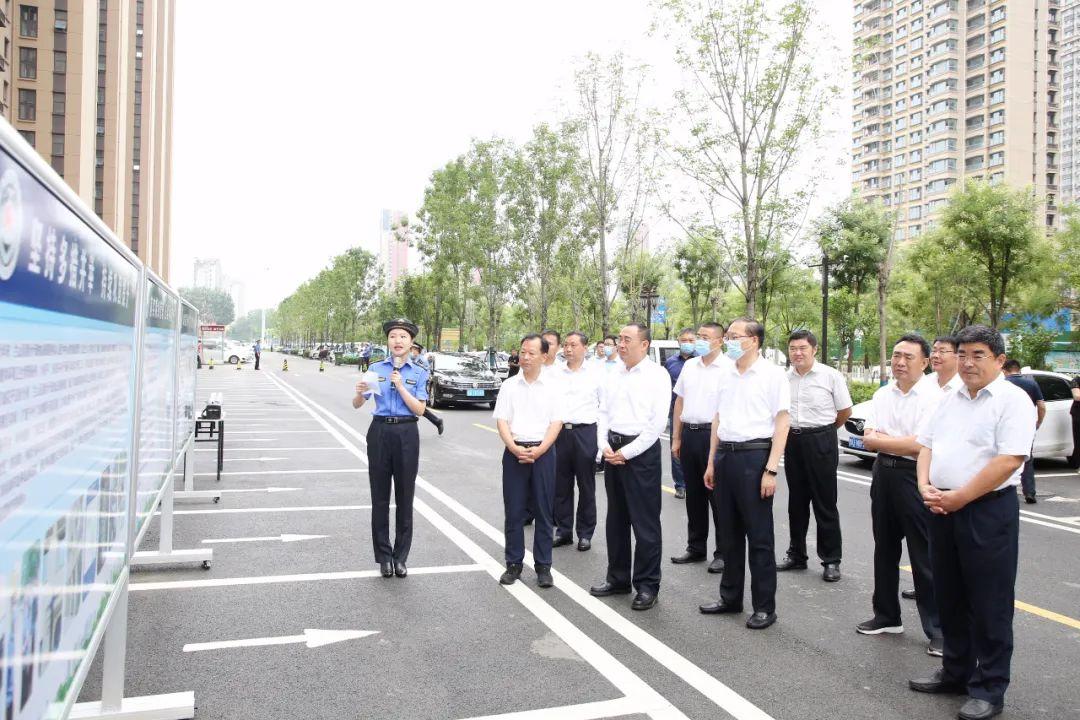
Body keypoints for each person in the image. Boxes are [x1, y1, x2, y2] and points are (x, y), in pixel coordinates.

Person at [909, 325, 1036, 720]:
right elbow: (926, 445)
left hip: (986, 510)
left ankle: (990, 687)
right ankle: (956, 670)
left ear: (999, 360)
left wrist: (960, 497)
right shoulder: (948, 400)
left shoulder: (1014, 401)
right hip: (942, 508)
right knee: (949, 595)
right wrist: (925, 486)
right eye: (962, 354)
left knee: (990, 602)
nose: (967, 362)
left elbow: (1009, 460)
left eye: (978, 355)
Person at [857, 333, 945, 657]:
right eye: (896, 355)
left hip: (914, 476)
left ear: (925, 362)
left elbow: (919, 445)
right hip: (883, 473)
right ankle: (886, 615)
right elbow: (868, 439)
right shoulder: (883, 395)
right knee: (885, 547)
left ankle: (938, 629)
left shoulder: (933, 397)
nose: (900, 362)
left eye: (908, 356)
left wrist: (884, 440)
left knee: (924, 555)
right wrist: (890, 441)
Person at [699, 318, 790, 630]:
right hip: (726, 454)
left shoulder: (772, 375)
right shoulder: (725, 373)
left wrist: (771, 469)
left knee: (759, 536)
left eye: (735, 336)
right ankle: (730, 597)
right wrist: (712, 462)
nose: (729, 340)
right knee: (728, 533)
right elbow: (717, 419)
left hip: (755, 456)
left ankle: (765, 606)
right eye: (728, 336)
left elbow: (782, 423)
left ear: (754, 340)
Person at [589, 323, 671, 611]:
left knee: (645, 524)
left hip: (640, 454)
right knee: (616, 520)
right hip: (613, 450)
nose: (620, 344)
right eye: (619, 339)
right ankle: (618, 578)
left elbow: (657, 424)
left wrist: (627, 452)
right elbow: (603, 412)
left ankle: (647, 585)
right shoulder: (613, 374)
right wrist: (603, 445)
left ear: (645, 344)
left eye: (627, 340)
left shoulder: (657, 375)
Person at [352, 318, 430, 579]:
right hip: (380, 432)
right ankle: (384, 557)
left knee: (405, 497)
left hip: (407, 432)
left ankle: (401, 557)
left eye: (403, 337)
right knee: (380, 497)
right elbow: (357, 404)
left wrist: (399, 385)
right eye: (393, 336)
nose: (397, 341)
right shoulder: (375, 368)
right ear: (388, 340)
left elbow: (419, 409)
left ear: (411, 343)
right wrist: (359, 391)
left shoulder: (419, 372)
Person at [777, 328, 852, 582]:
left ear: (814, 349)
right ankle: (796, 554)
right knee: (796, 502)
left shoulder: (830, 376)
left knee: (824, 501)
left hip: (821, 439)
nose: (797, 353)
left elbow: (844, 411)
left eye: (802, 348)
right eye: (793, 349)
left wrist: (825, 432)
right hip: (792, 440)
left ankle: (831, 559)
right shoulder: (783, 378)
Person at [493, 334, 563, 587]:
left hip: (543, 454)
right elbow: (502, 420)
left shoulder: (554, 386)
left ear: (544, 356)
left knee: (544, 512)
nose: (525, 357)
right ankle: (513, 563)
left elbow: (557, 422)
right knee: (514, 511)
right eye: (523, 352)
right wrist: (513, 447)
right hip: (514, 453)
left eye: (531, 353)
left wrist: (541, 449)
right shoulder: (509, 386)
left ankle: (544, 566)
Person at [670, 322, 730, 574]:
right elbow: (679, 402)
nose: (699, 341)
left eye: (706, 337)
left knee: (717, 497)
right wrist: (676, 437)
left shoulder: (728, 367)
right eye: (698, 337)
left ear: (720, 340)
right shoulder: (690, 366)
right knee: (694, 495)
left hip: (714, 436)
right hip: (690, 435)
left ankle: (724, 552)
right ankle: (696, 547)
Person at [552, 331, 601, 551]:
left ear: (584, 347)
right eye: (566, 345)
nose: (568, 349)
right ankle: (563, 531)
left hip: (586, 432)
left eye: (573, 345)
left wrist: (600, 444)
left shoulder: (596, 373)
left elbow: (605, 407)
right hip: (560, 432)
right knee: (561, 485)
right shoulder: (556, 373)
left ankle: (585, 533)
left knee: (586, 485)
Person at [1002, 358, 1045, 503]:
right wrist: (1038, 422)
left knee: (1002, 458)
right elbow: (1041, 405)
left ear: (1004, 370)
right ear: (1018, 369)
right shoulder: (1031, 384)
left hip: (1005, 426)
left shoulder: (1003, 384)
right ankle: (1030, 492)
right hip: (1027, 427)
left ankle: (1004, 490)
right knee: (1026, 459)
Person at [664, 328, 697, 499]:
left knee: (696, 450)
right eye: (684, 340)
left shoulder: (701, 360)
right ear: (678, 341)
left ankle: (697, 482)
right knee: (676, 448)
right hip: (675, 412)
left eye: (691, 340)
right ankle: (680, 485)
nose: (687, 344)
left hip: (697, 414)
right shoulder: (670, 362)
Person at [409, 342, 446, 436]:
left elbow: (425, 375)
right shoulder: (409, 359)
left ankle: (436, 422)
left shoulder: (422, 361)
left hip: (419, 386)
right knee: (414, 408)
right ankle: (437, 421)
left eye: (414, 349)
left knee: (416, 408)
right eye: (411, 349)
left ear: (418, 351)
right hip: (409, 386)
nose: (412, 351)